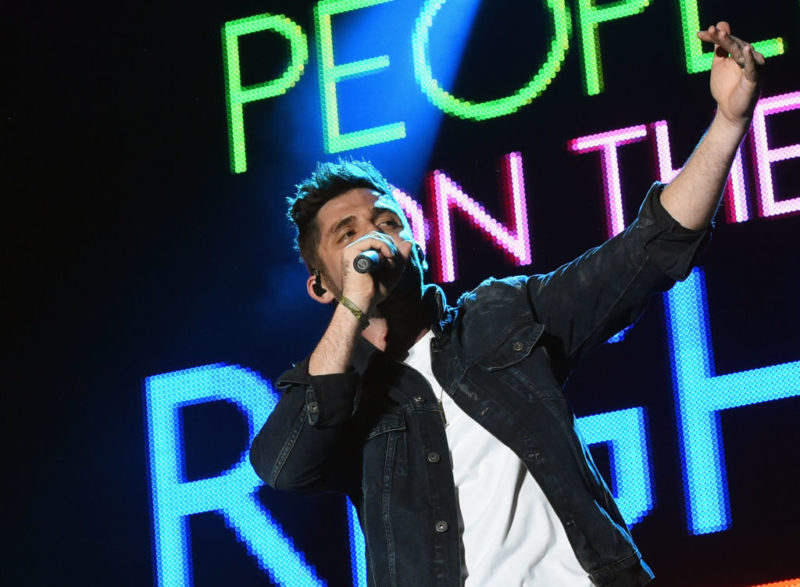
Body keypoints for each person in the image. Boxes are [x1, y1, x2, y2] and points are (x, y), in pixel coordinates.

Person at [250, 22, 763, 586]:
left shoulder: (503, 313)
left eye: (386, 222)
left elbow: (650, 249)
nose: (374, 238)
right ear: (322, 284)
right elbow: (283, 466)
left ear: (416, 243)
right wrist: (353, 308)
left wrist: (730, 121)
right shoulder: (343, 397)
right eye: (347, 235)